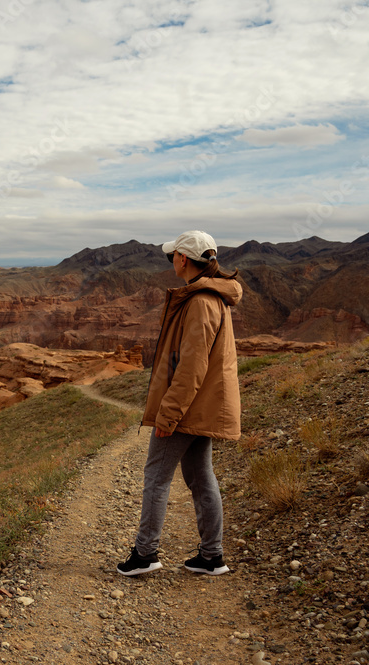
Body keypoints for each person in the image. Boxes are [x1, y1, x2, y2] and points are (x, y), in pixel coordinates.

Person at [116, 230, 242, 577]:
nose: (171, 259)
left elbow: (192, 366)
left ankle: (145, 554)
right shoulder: (208, 296)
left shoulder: (201, 302)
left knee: (156, 476)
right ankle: (211, 556)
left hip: (188, 406)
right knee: (200, 475)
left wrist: (168, 414)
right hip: (201, 405)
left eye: (173, 255)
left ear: (184, 259)